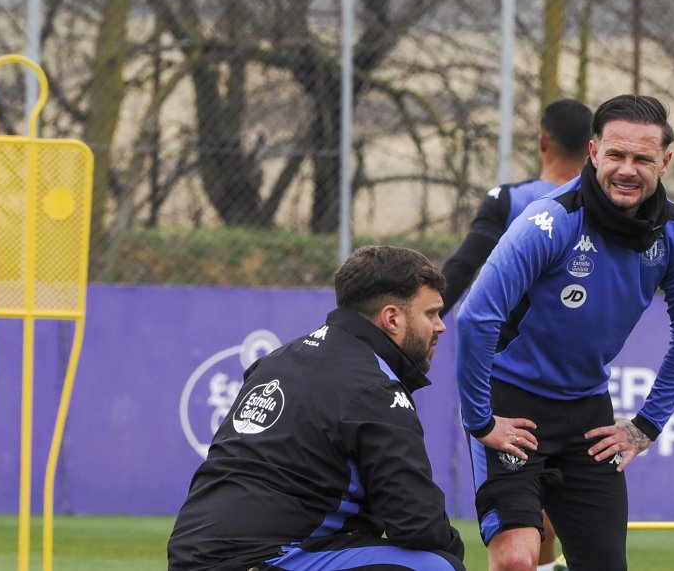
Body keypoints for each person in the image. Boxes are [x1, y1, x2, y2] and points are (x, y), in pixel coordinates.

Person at [456, 94, 674, 571]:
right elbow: (476, 317)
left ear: (665, 162)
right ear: (594, 153)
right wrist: (481, 421)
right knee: (516, 560)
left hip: (588, 415)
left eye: (642, 158)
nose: (627, 169)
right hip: (513, 406)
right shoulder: (549, 221)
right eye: (616, 154)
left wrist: (646, 425)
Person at [168, 245, 465, 571]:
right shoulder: (375, 387)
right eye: (431, 313)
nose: (441, 326)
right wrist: (454, 549)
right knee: (436, 566)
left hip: (192, 557)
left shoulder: (276, 362)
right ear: (392, 318)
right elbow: (417, 523)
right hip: (263, 559)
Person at [441, 98, 593, 571]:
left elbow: (461, 271)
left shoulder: (510, 202)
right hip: (577, 385)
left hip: (507, 381)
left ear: (542, 141)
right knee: (541, 519)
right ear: (594, 149)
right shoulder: (606, 210)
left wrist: (414, 325)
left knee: (517, 526)